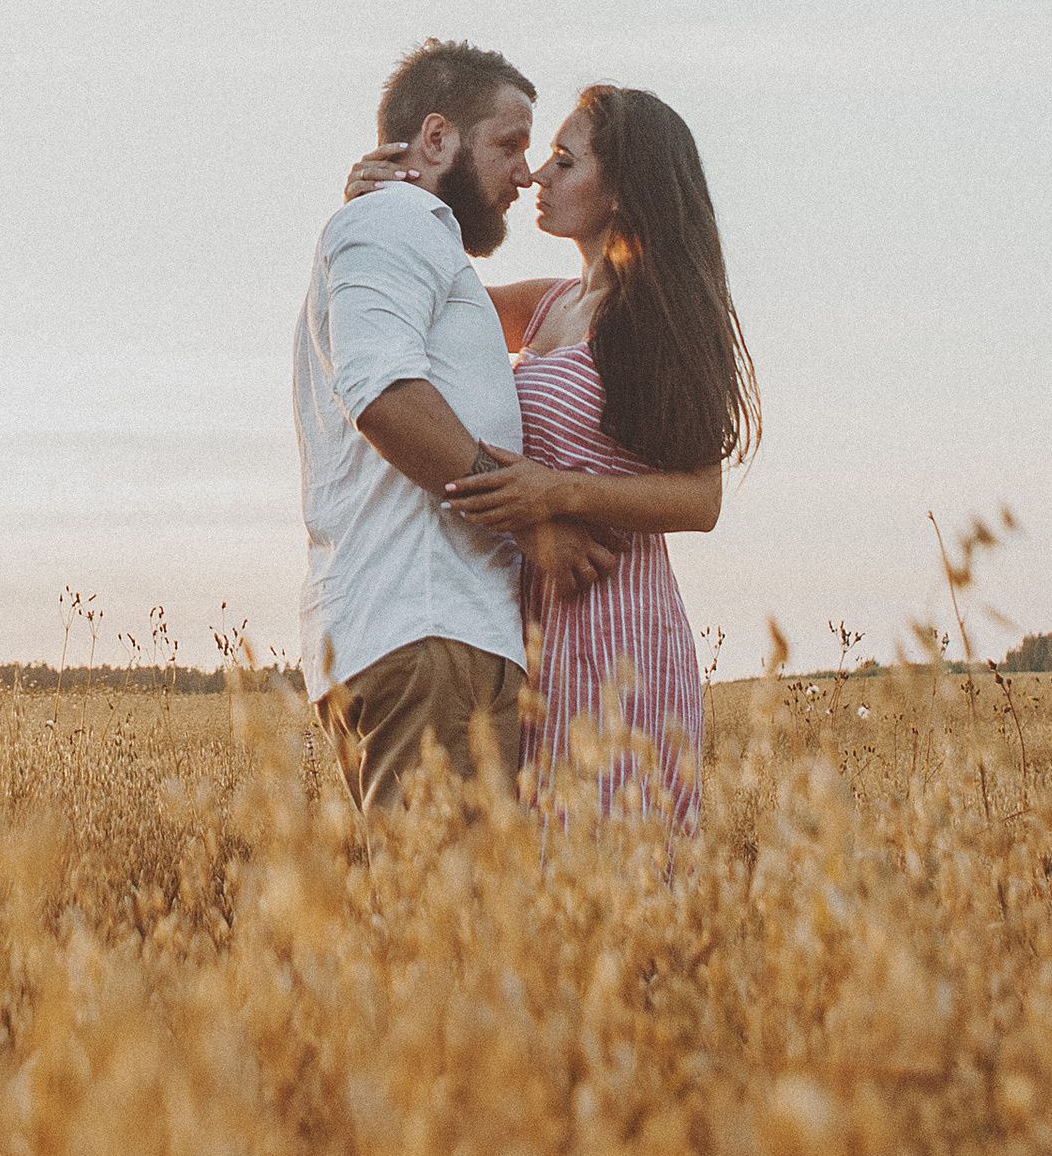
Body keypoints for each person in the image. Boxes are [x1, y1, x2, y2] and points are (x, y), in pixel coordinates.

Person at [294, 42, 692, 820]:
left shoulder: (427, 250)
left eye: (548, 155)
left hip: (479, 631)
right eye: (511, 146)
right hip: (427, 623)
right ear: (437, 140)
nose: (528, 172)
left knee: (461, 921)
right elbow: (383, 394)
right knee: (444, 925)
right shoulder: (396, 225)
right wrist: (531, 519)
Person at [441, 84, 759, 846]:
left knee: (619, 881)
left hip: (623, 631)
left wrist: (557, 494)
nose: (537, 178)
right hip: (530, 621)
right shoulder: (552, 305)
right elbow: (421, 301)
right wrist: (385, 195)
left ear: (620, 191)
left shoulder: (655, 311)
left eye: (563, 160)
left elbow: (701, 498)